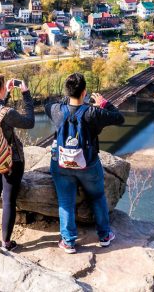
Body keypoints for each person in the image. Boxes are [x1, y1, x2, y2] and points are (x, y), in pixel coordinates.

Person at [45, 73, 125, 254]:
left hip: (62, 165)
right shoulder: (93, 113)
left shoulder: (57, 110)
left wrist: (65, 99)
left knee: (66, 201)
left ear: (67, 91)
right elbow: (119, 118)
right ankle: (104, 236)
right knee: (97, 197)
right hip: (88, 164)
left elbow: (46, 104)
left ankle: (69, 242)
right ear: (85, 92)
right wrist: (104, 103)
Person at [0, 72, 34, 251]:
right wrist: (25, 93)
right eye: (4, 86)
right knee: (8, 199)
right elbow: (29, 122)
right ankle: (6, 243)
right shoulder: (7, 112)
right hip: (11, 160)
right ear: (0, 88)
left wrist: (6, 94)